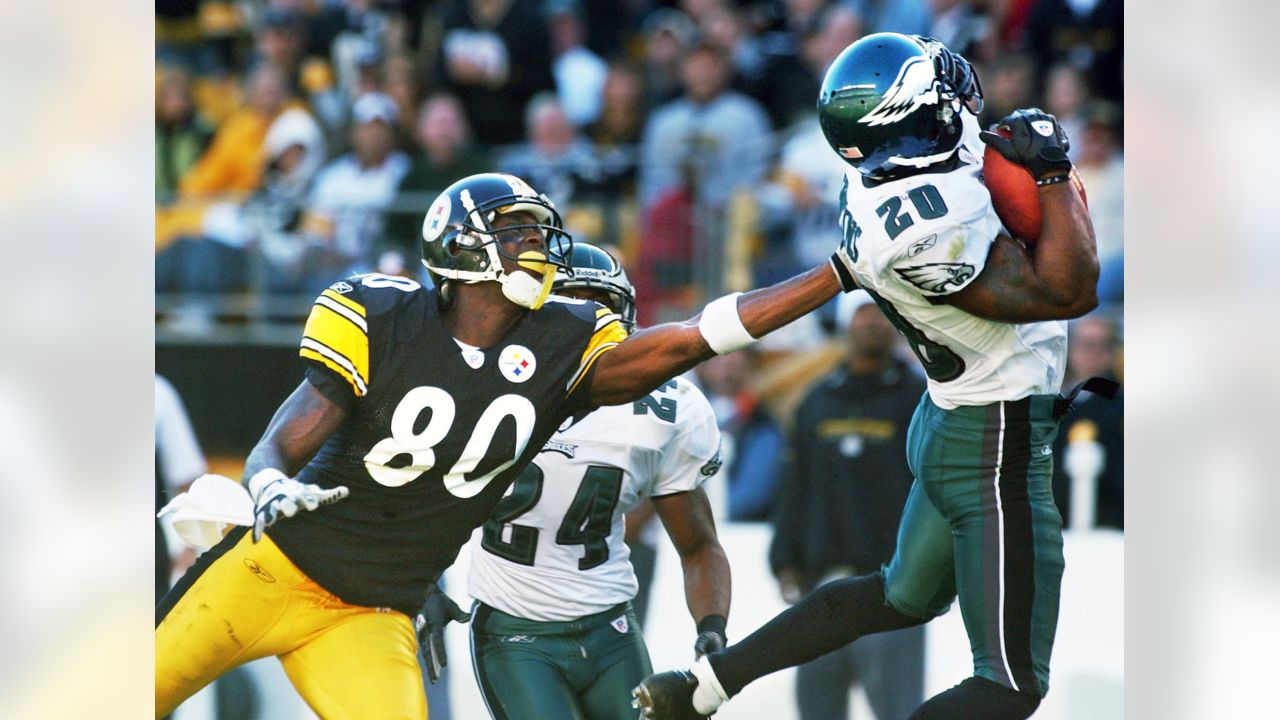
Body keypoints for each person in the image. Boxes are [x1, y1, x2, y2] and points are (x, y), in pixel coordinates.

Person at [156, 169, 853, 719]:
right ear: (460, 244)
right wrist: (270, 483)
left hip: (370, 612)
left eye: (535, 231)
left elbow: (691, 338)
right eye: (515, 230)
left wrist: (832, 277)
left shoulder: (563, 346)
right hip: (269, 570)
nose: (536, 244)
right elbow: (281, 443)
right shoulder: (385, 315)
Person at [633, 32, 1103, 720]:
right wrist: (1054, 177)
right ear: (910, 129)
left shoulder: (879, 172)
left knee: (897, 596)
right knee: (1009, 684)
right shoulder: (927, 229)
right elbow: (1069, 292)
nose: (956, 96)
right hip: (993, 440)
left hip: (948, 420)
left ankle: (706, 686)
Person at [459, 242, 730, 720]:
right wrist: (420, 591)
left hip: (611, 630)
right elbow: (409, 508)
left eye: (598, 308)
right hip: (515, 631)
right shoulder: (485, 389)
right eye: (568, 306)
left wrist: (712, 629)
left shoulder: (665, 409)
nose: (586, 324)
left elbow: (698, 546)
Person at [769, 294, 928, 720]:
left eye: (880, 312)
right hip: (822, 585)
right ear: (845, 324)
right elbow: (795, 486)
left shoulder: (922, 399)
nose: (871, 322)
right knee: (818, 708)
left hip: (894, 589)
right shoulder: (816, 400)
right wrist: (784, 560)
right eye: (861, 312)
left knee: (899, 709)